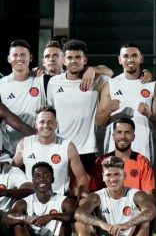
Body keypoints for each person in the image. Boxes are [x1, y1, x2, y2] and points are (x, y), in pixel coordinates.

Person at [74, 157, 156, 236]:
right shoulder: (97, 196)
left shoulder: (136, 194)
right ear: (103, 177)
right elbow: (78, 214)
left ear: (125, 175)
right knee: (80, 222)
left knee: (144, 222)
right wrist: (102, 224)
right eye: (108, 175)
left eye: (117, 174)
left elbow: (151, 211)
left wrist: (125, 225)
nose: (113, 179)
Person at [46, 39, 112, 171]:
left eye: (78, 57)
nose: (73, 61)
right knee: (61, 191)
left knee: (86, 191)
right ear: (64, 60)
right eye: (69, 57)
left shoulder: (97, 80)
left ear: (85, 60)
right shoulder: (53, 82)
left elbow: (109, 72)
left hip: (87, 149)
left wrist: (94, 69)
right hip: (60, 147)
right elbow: (51, 114)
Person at [2, 163, 77, 236]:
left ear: (52, 179)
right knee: (17, 221)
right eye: (37, 176)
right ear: (33, 181)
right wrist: (25, 218)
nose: (42, 178)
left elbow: (72, 216)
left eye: (46, 175)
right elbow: (5, 218)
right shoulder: (24, 202)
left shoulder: (65, 201)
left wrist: (51, 216)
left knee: (63, 219)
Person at [103, 43, 156, 160]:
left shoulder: (152, 86)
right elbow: (99, 122)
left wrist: (149, 114)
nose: (130, 59)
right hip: (114, 155)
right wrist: (108, 110)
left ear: (141, 58)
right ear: (120, 60)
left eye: (134, 55)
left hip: (142, 154)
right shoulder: (110, 85)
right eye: (126, 56)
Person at [13, 107, 89, 197]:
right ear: (36, 124)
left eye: (50, 122)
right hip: (31, 199)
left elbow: (82, 177)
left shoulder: (68, 147)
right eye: (42, 122)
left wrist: (81, 194)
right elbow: (12, 169)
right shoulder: (24, 144)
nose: (46, 125)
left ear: (56, 124)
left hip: (61, 198)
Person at [0, 39, 48, 155]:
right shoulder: (0, 84)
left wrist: (91, 69)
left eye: (23, 55)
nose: (19, 58)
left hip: (38, 146)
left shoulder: (41, 80)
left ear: (31, 58)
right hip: (11, 151)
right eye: (15, 55)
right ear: (9, 58)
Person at [89, 116, 156, 194]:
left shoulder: (143, 162)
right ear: (113, 136)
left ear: (133, 137)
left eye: (127, 132)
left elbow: (149, 196)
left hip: (134, 205)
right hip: (107, 206)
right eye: (119, 132)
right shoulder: (101, 162)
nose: (123, 137)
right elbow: (94, 194)